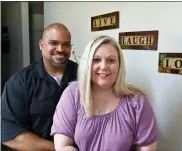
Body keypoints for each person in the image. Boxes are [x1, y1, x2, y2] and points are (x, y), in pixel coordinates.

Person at [51, 35, 158, 151]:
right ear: (87, 64)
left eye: (111, 60)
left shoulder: (138, 102)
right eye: (96, 60)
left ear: (119, 65)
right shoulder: (72, 94)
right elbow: (63, 146)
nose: (103, 66)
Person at [1, 23, 78, 151]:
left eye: (66, 44)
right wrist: (61, 149)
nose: (60, 49)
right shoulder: (20, 82)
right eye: (53, 43)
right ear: (42, 45)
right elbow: (10, 135)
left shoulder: (83, 76)